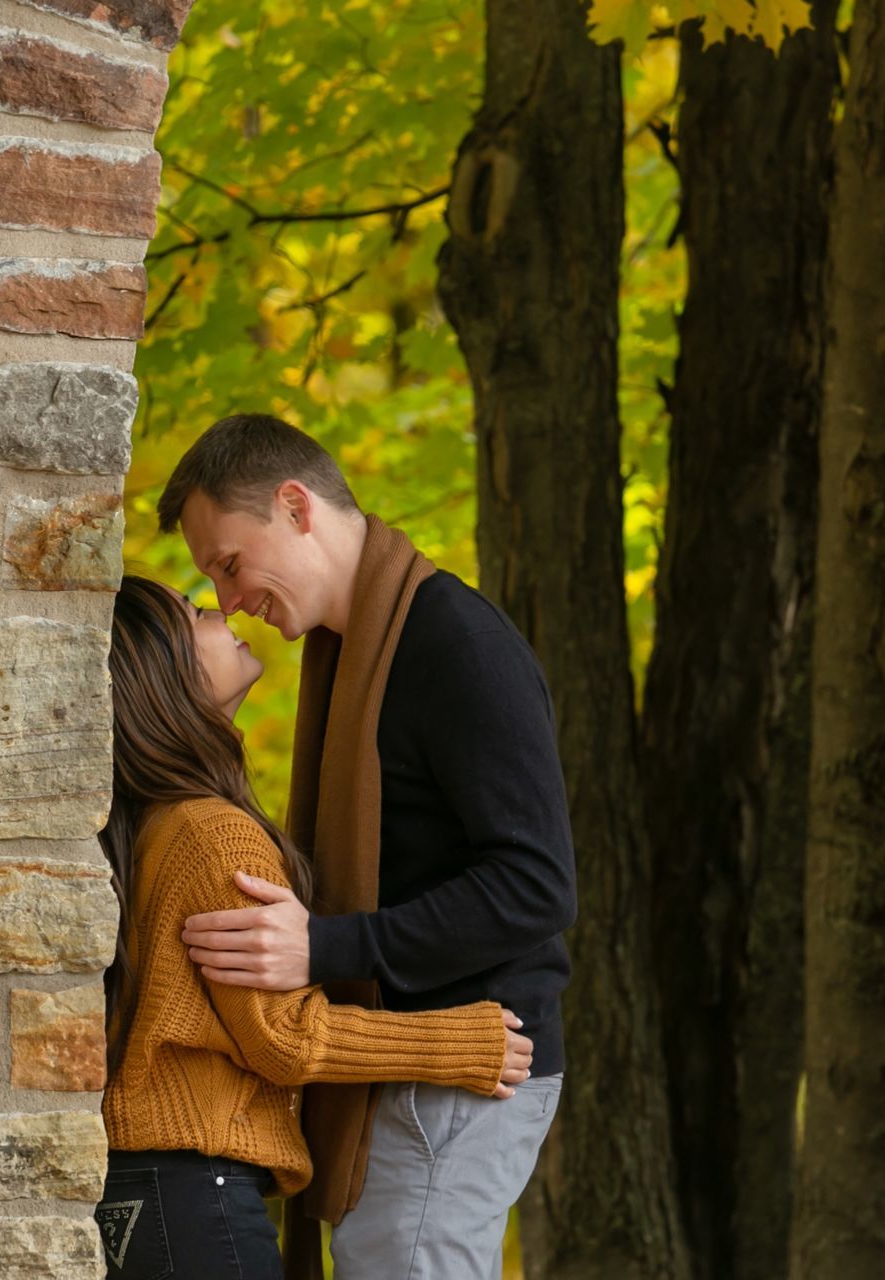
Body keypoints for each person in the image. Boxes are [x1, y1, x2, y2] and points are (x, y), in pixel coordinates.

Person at [159, 414, 577, 1280]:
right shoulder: (349, 656)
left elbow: (537, 887)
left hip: (465, 1069)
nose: (230, 601)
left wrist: (324, 944)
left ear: (294, 506)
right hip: (405, 1073)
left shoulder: (458, 645)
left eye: (230, 565)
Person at [96, 574, 537, 1280]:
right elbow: (284, 1037)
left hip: (143, 1188)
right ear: (158, 670)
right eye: (194, 612)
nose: (221, 608)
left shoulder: (153, 825)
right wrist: (462, 1041)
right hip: (191, 1194)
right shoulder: (214, 835)